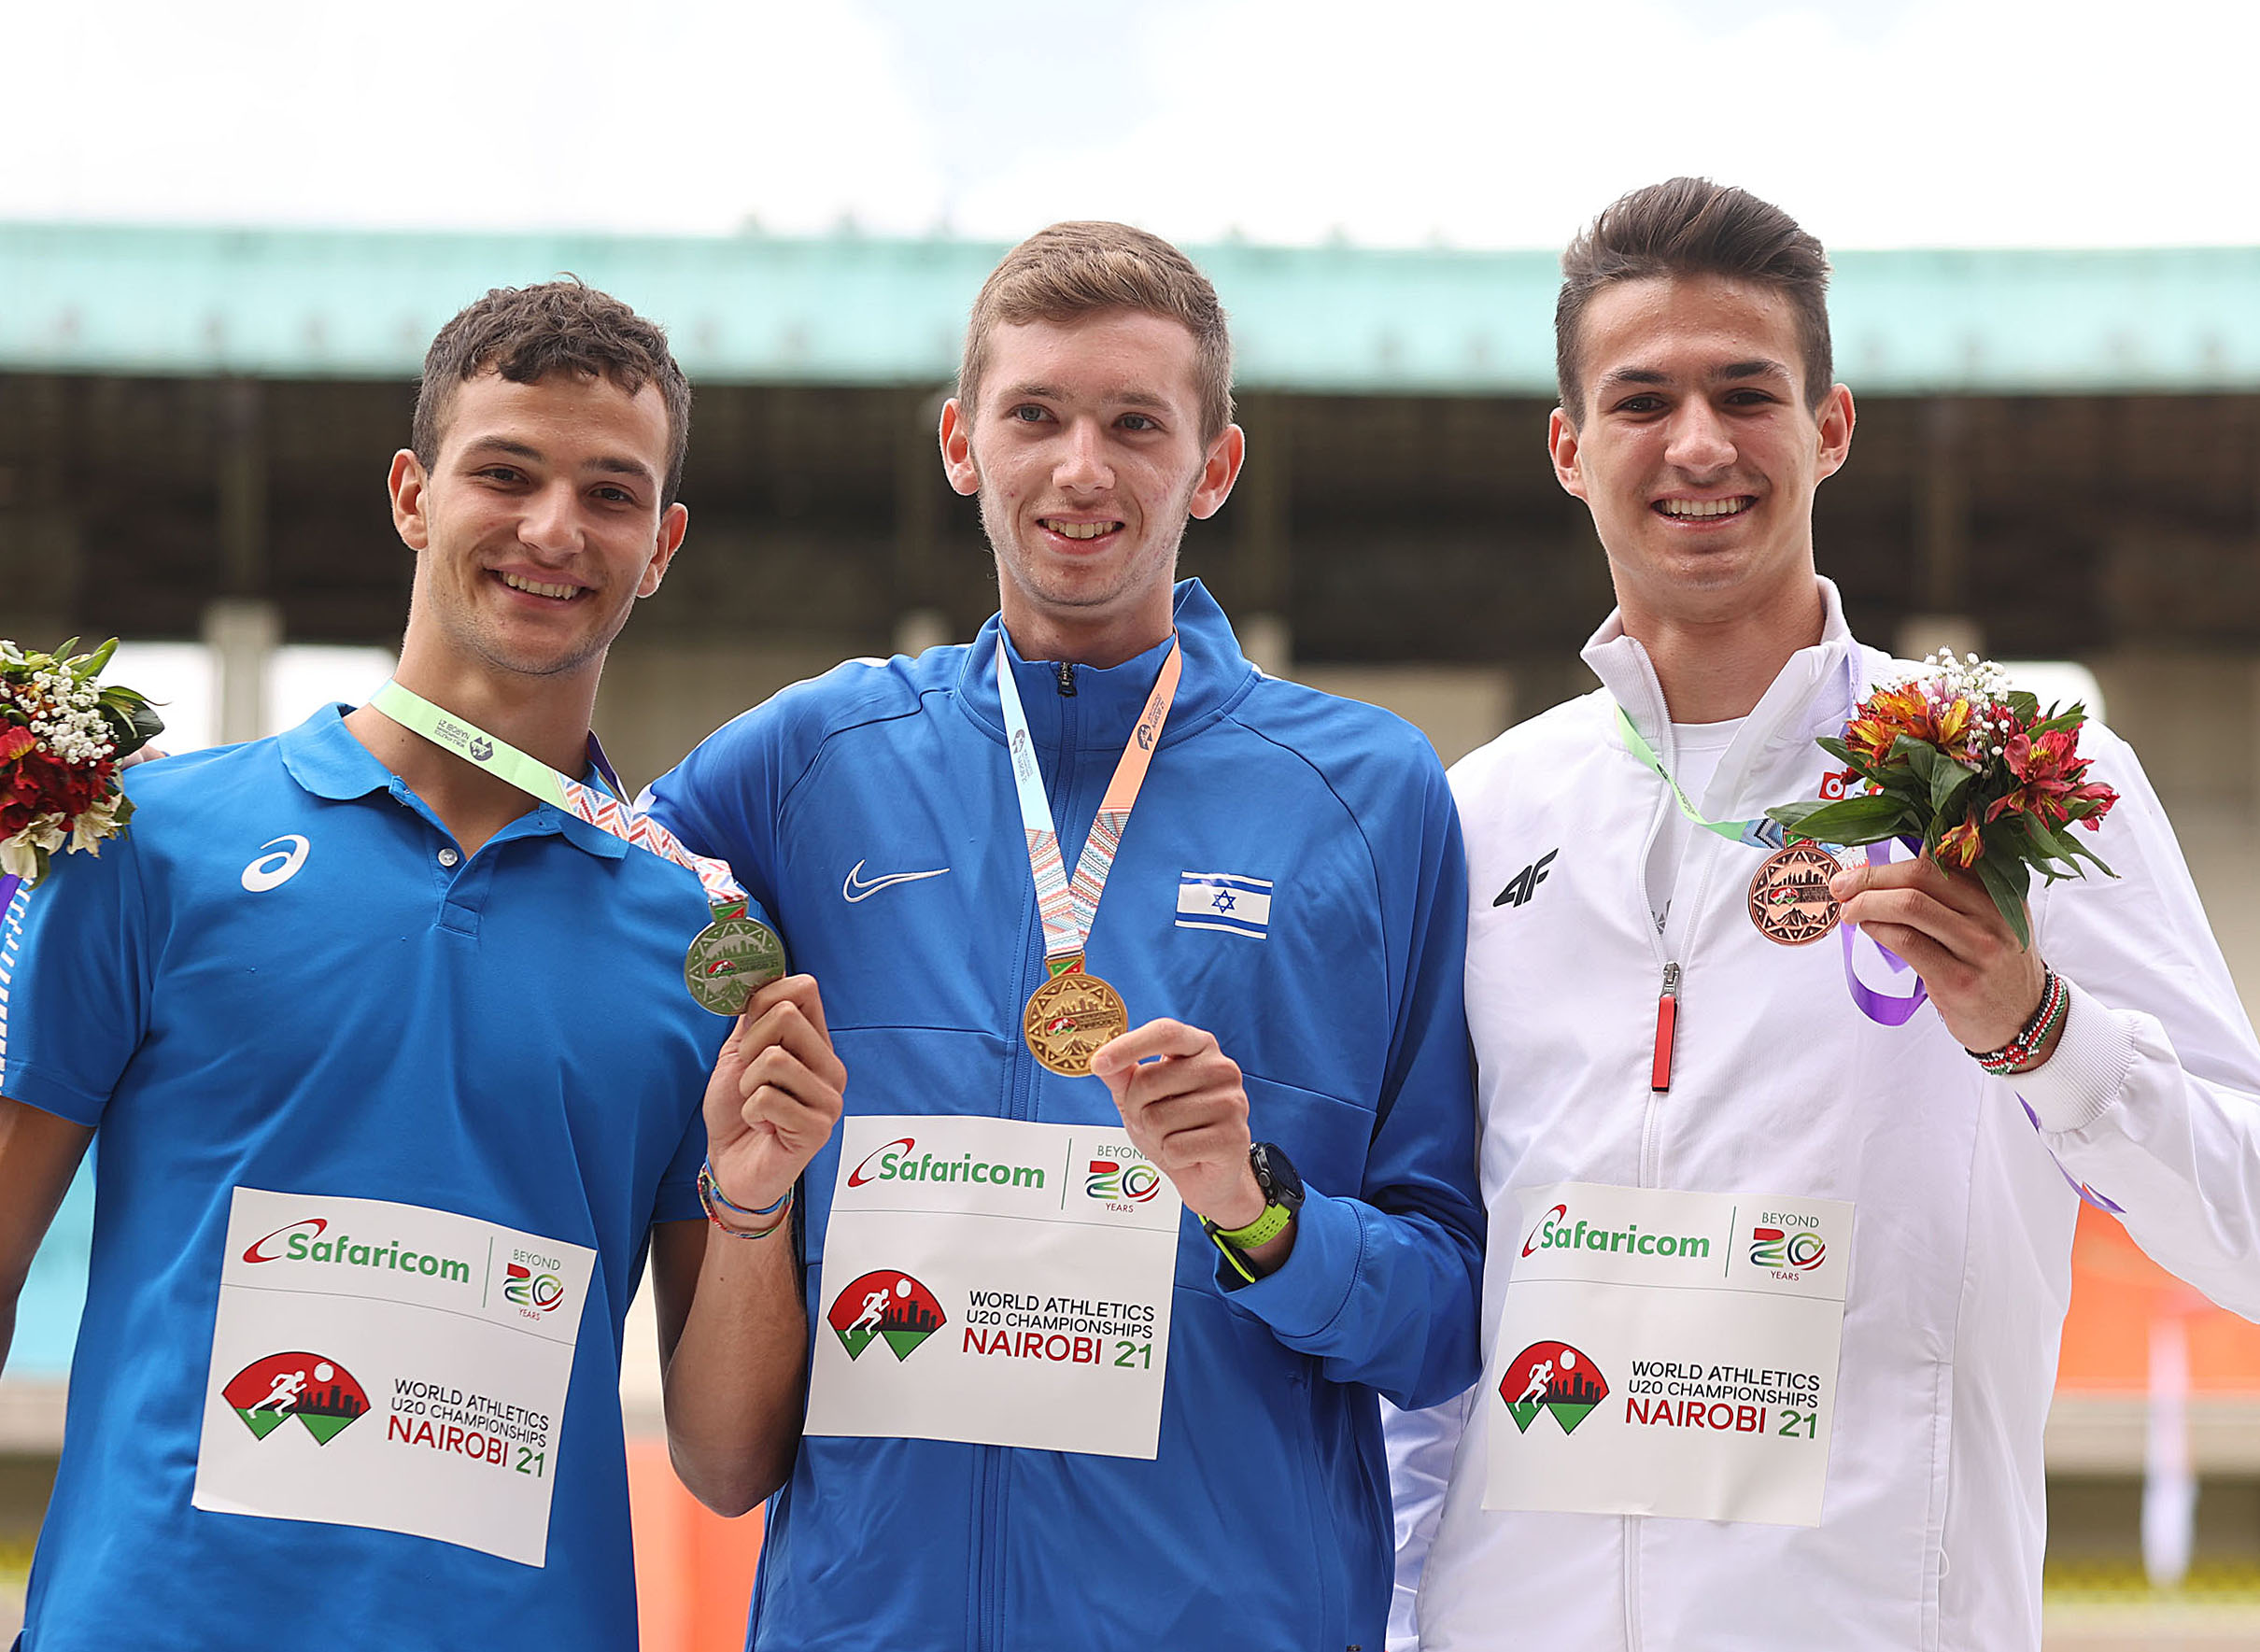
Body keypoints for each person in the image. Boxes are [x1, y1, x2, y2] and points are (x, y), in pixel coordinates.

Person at [1384, 176, 2260, 1651]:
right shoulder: (1476, 815)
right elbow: (1436, 1323)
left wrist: (2042, 1035)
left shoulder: (2024, 782)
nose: (1699, 444)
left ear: (1831, 426)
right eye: (1642, 399)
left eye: (1747, 392)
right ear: (1570, 447)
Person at [641, 220, 1485, 1650]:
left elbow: (1448, 1315)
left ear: (1214, 464)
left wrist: (1261, 1214)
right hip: (871, 1624)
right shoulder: (808, 761)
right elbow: (571, 886)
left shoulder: (1368, 796)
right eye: (1035, 415)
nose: (1081, 468)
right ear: (961, 443)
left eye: (1135, 423)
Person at [0, 280, 840, 1650]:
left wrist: (753, 1206)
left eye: (611, 494)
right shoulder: (151, 844)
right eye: (505, 473)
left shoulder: (706, 947)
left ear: (663, 544)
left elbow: (728, 1463)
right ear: (412, 493)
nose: (554, 529)